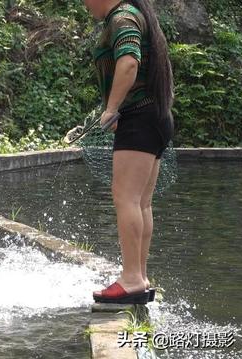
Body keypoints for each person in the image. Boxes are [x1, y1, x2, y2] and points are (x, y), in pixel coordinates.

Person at [82, 0, 174, 303]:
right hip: (155, 117)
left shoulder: (122, 17)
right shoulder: (134, 15)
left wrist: (111, 109)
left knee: (126, 198)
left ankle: (132, 279)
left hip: (140, 119)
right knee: (141, 202)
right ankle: (140, 277)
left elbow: (129, 62)